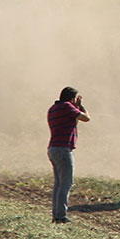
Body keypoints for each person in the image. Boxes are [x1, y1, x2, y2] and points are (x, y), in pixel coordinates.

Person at [47, 86, 90, 224]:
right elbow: (86, 118)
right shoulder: (67, 107)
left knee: (59, 184)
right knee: (66, 183)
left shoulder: (53, 109)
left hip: (53, 148)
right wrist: (81, 107)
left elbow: (72, 122)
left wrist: (75, 108)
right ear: (72, 99)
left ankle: (56, 215)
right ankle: (61, 216)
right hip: (63, 149)